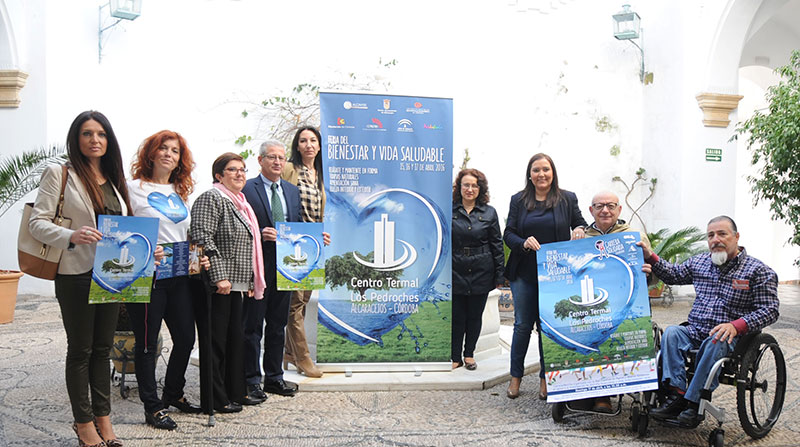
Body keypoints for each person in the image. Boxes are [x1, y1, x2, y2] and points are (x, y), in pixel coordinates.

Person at [29, 110, 131, 447]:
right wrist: (71, 234)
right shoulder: (60, 174)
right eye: (87, 134)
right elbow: (37, 223)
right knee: (81, 350)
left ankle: (104, 419)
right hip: (75, 273)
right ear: (76, 139)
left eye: (101, 134)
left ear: (108, 140)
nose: (95, 140)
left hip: (111, 276)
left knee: (103, 350)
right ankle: (83, 422)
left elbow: (124, 231)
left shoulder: (115, 181)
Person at [644, 215, 779, 428]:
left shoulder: (758, 271)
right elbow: (673, 275)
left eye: (722, 234)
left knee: (717, 338)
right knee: (671, 333)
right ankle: (677, 394)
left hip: (732, 338)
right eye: (711, 235)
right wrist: (650, 256)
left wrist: (736, 325)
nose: (715, 239)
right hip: (697, 330)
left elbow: (770, 310)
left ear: (736, 237)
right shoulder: (700, 262)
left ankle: (694, 401)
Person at [126, 130, 207, 430]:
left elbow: (181, 234)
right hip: (147, 275)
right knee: (147, 343)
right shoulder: (132, 188)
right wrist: (143, 247)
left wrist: (198, 258)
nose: (168, 154)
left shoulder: (178, 192)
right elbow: (119, 229)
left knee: (186, 338)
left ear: (179, 161)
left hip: (179, 274)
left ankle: (173, 393)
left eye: (174, 151)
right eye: (162, 148)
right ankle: (153, 406)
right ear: (151, 153)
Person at [503, 153, 587, 400]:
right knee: (522, 326)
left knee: (549, 327)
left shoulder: (567, 199)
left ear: (553, 172)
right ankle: (515, 377)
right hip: (524, 272)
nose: (541, 174)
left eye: (546, 170)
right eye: (536, 170)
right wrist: (523, 242)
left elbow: (580, 223)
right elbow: (508, 233)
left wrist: (580, 229)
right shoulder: (518, 200)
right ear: (530, 174)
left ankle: (545, 378)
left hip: (555, 274)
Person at [190, 152, 267, 414]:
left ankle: (236, 392)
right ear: (219, 175)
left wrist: (246, 281)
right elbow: (202, 237)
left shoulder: (240, 203)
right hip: (217, 283)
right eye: (232, 170)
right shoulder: (211, 198)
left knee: (234, 341)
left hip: (236, 284)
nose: (239, 174)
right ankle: (216, 399)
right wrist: (219, 275)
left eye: (243, 170)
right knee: (216, 344)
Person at [577, 190, 652, 413]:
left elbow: (654, 267)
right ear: (591, 211)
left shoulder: (634, 235)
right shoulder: (582, 237)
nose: (605, 210)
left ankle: (605, 395)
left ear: (619, 209)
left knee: (612, 336)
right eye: (599, 206)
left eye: (610, 205)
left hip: (624, 303)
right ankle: (582, 387)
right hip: (592, 302)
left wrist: (649, 269)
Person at [241, 141, 302, 398]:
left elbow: (297, 227)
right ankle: (251, 379)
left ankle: (274, 378)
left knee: (278, 325)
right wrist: (258, 234)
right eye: (272, 157)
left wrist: (316, 238)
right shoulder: (246, 189)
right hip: (257, 268)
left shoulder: (292, 191)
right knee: (252, 327)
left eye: (281, 158)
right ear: (260, 160)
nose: (278, 162)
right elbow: (238, 228)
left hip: (285, 268)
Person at [281, 127, 325, 378]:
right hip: (293, 242)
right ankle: (303, 358)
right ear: (297, 146)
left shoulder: (321, 174)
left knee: (303, 299)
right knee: (295, 303)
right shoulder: (289, 169)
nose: (308, 144)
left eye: (313, 140)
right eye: (303, 141)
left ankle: (289, 351)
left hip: (315, 243)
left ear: (319, 145)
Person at [451, 169, 504, 371]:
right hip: (456, 269)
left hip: (482, 270)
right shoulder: (450, 210)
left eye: (474, 185)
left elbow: (497, 245)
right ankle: (455, 356)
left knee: (475, 315)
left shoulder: (489, 212)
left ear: (480, 188)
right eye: (466, 185)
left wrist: (500, 274)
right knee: (457, 316)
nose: (470, 189)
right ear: (460, 187)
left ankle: (469, 354)